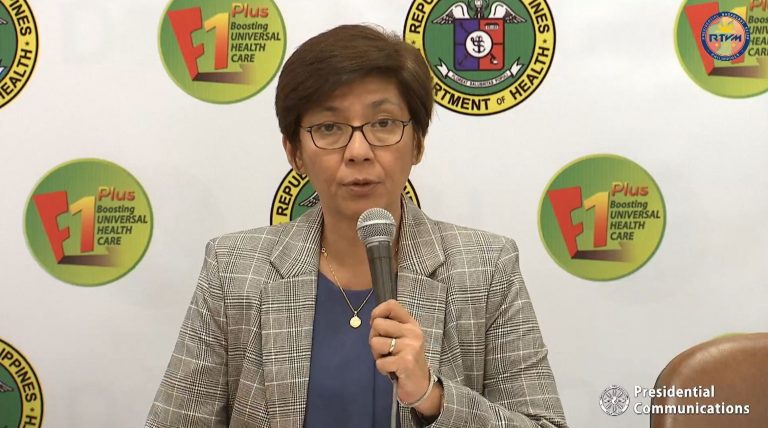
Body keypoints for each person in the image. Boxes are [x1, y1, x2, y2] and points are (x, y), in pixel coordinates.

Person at [146, 24, 568, 428]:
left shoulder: (486, 268)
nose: (358, 151)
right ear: (294, 152)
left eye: (383, 123)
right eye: (329, 128)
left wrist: (433, 397)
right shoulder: (234, 270)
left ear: (417, 143)